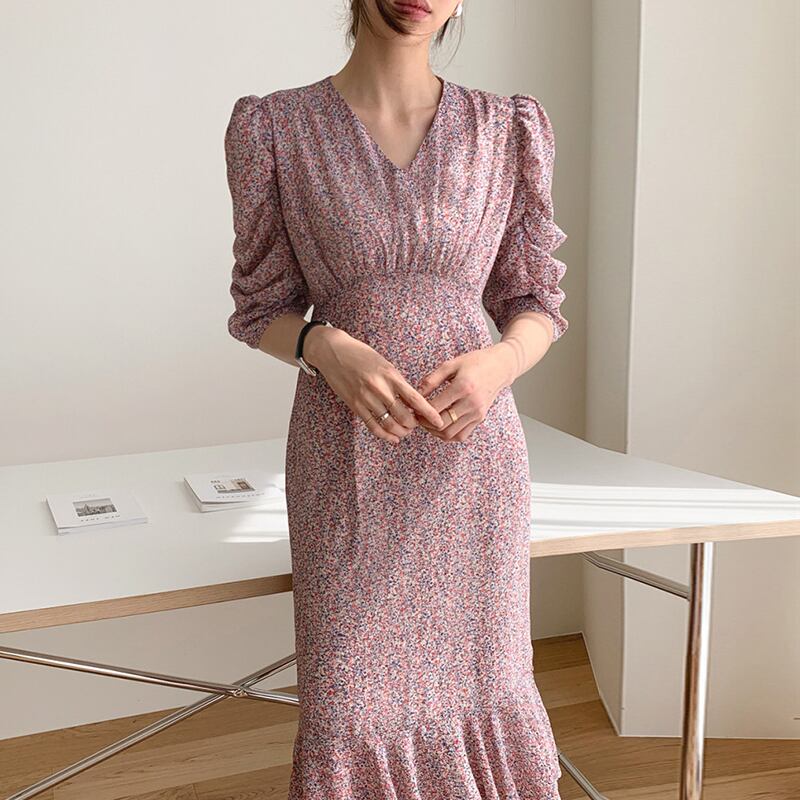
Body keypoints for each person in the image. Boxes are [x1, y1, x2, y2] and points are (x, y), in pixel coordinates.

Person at [223, 1, 568, 796]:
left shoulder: (506, 128)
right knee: (350, 707)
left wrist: (500, 364)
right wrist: (321, 345)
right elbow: (258, 308)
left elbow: (537, 301)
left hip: (471, 462)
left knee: (488, 683)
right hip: (345, 458)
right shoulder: (275, 129)